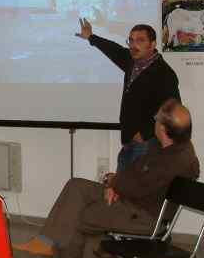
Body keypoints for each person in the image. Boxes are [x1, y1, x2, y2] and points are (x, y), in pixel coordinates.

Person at [12, 99, 199, 258]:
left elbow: (139, 187)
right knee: (76, 186)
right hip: (131, 200)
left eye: (157, 118)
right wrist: (115, 184)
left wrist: (115, 184)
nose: (154, 121)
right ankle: (46, 241)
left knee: (75, 217)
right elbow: (135, 172)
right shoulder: (163, 146)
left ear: (163, 128)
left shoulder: (176, 161)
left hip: (144, 216)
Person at [76, 19, 180, 171]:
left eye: (140, 40)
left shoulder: (164, 73)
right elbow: (114, 50)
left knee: (137, 186)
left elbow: (173, 111)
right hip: (128, 142)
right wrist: (91, 37)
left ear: (152, 44)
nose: (133, 45)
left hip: (147, 145)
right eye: (131, 40)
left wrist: (144, 134)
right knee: (122, 185)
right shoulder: (132, 61)